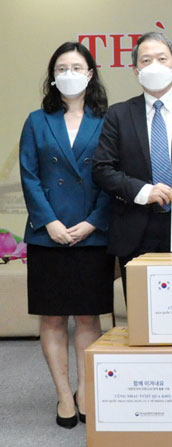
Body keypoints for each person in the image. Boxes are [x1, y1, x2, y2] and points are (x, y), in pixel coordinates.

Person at [19, 42, 113, 428]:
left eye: (77, 66)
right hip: (49, 235)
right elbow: (29, 175)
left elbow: (112, 177)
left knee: (90, 319)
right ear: (52, 75)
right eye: (62, 67)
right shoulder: (36, 120)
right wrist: (50, 222)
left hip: (92, 233)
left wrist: (93, 221)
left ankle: (86, 391)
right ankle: (63, 395)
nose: (69, 73)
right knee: (53, 319)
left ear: (90, 74)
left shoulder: (109, 120)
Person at [92, 32, 172, 292]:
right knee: (142, 319)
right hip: (134, 231)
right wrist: (145, 191)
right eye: (146, 60)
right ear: (135, 70)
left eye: (161, 58)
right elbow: (102, 169)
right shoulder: (119, 114)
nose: (154, 65)